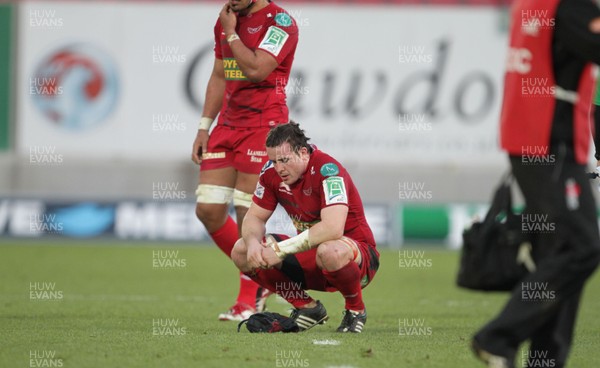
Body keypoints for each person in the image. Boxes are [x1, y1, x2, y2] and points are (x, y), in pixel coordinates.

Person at [472, 1, 600, 367]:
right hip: (550, 141)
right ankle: (498, 337)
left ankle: (544, 361)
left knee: (558, 250)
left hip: (536, 138)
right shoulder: (570, 5)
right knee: (583, 246)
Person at [191, 0, 299, 321]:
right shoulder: (227, 18)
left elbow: (256, 69)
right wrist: (203, 126)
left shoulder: (281, 22)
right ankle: (264, 277)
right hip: (227, 125)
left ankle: (247, 300)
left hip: (264, 126)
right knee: (208, 210)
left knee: (246, 214)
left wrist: (231, 34)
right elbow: (219, 74)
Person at [230, 122, 380, 333]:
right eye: (273, 161)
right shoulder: (270, 173)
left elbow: (332, 229)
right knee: (241, 250)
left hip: (356, 260)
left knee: (330, 250)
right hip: (312, 256)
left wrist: (280, 250)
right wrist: (253, 243)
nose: (279, 168)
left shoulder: (328, 171)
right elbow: (254, 217)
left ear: (303, 153)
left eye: (284, 160)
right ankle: (308, 308)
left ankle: (355, 309)